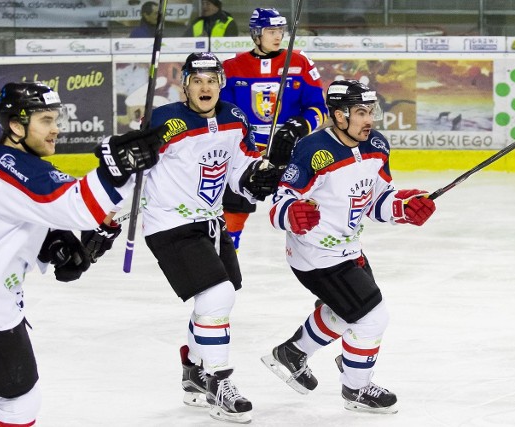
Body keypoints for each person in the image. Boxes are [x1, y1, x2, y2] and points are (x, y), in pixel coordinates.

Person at [0, 82, 164, 427]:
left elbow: (22, 214)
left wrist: (54, 242)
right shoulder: (14, 168)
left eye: (56, 119)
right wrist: (116, 171)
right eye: (46, 120)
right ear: (16, 126)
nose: (56, 129)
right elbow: (74, 205)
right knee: (19, 399)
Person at [132, 52, 291, 424]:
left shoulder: (233, 118)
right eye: (197, 80)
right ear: (184, 84)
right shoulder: (165, 120)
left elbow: (238, 168)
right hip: (169, 223)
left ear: (221, 83)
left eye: (212, 80)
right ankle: (219, 383)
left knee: (217, 298)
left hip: (210, 222)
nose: (205, 87)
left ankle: (193, 371)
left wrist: (254, 177)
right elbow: (135, 165)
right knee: (217, 295)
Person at [261, 79, 436, 414]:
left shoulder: (377, 146)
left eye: (371, 111)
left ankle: (292, 353)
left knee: (345, 312)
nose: (369, 119)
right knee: (371, 318)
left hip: (349, 248)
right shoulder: (313, 150)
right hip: (315, 254)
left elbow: (376, 201)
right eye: (360, 112)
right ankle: (355, 389)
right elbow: (279, 204)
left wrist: (403, 208)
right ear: (339, 116)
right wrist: (291, 215)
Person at [220, 7, 328, 251]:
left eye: (280, 30)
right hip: (246, 155)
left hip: (290, 153)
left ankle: (321, 251)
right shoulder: (232, 67)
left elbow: (319, 108)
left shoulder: (300, 62)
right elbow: (224, 113)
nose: (278, 36)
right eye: (271, 30)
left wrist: (300, 125)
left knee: (307, 205)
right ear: (256, 34)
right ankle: (227, 251)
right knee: (233, 205)